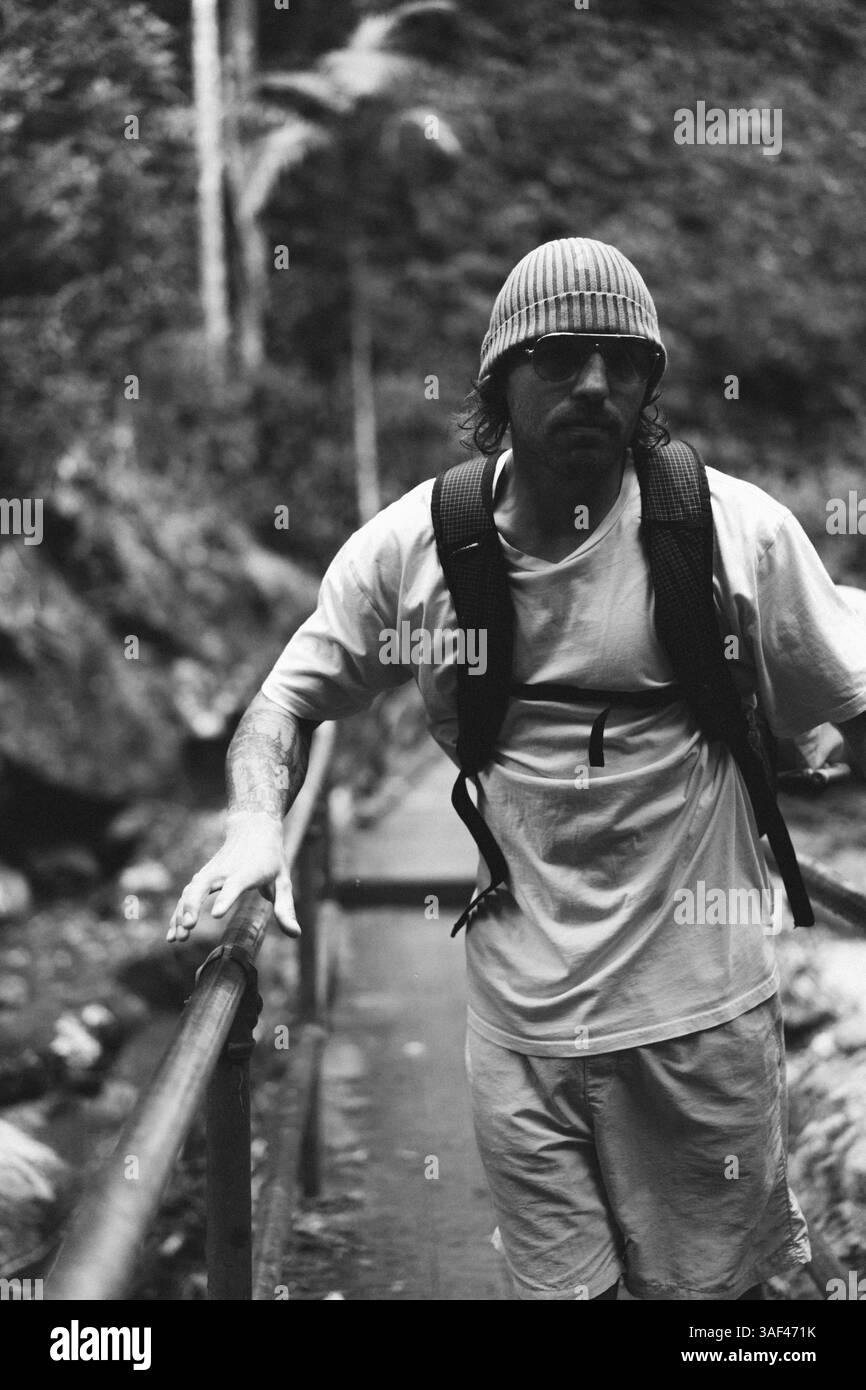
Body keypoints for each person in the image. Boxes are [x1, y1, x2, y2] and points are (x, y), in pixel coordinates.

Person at [169, 237, 866, 1301]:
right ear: (498, 380)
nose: (592, 384)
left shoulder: (734, 536)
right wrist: (257, 826)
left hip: (700, 1025)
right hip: (519, 1033)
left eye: (620, 362)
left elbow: (853, 707)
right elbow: (283, 702)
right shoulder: (417, 550)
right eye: (557, 356)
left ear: (647, 383)